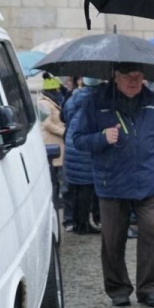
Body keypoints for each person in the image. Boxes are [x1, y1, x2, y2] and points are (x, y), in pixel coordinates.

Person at [71, 63, 154, 307]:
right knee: (113, 238)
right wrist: (102, 137)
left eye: (139, 76)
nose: (134, 81)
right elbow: (78, 140)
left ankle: (149, 289)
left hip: (148, 181)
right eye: (129, 76)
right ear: (115, 77)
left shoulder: (152, 101)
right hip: (112, 183)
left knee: (150, 232)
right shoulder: (96, 102)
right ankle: (118, 288)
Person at [62, 78, 101, 234]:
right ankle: (83, 225)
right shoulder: (97, 99)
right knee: (86, 187)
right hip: (85, 145)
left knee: (77, 187)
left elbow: (65, 116)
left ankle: (77, 221)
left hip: (72, 141)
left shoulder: (73, 98)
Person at [38, 73, 67, 209]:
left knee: (57, 177)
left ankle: (57, 199)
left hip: (58, 144)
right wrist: (63, 131)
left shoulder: (54, 101)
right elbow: (46, 123)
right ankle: (53, 201)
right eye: (56, 90)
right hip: (51, 144)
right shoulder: (43, 103)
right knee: (52, 178)